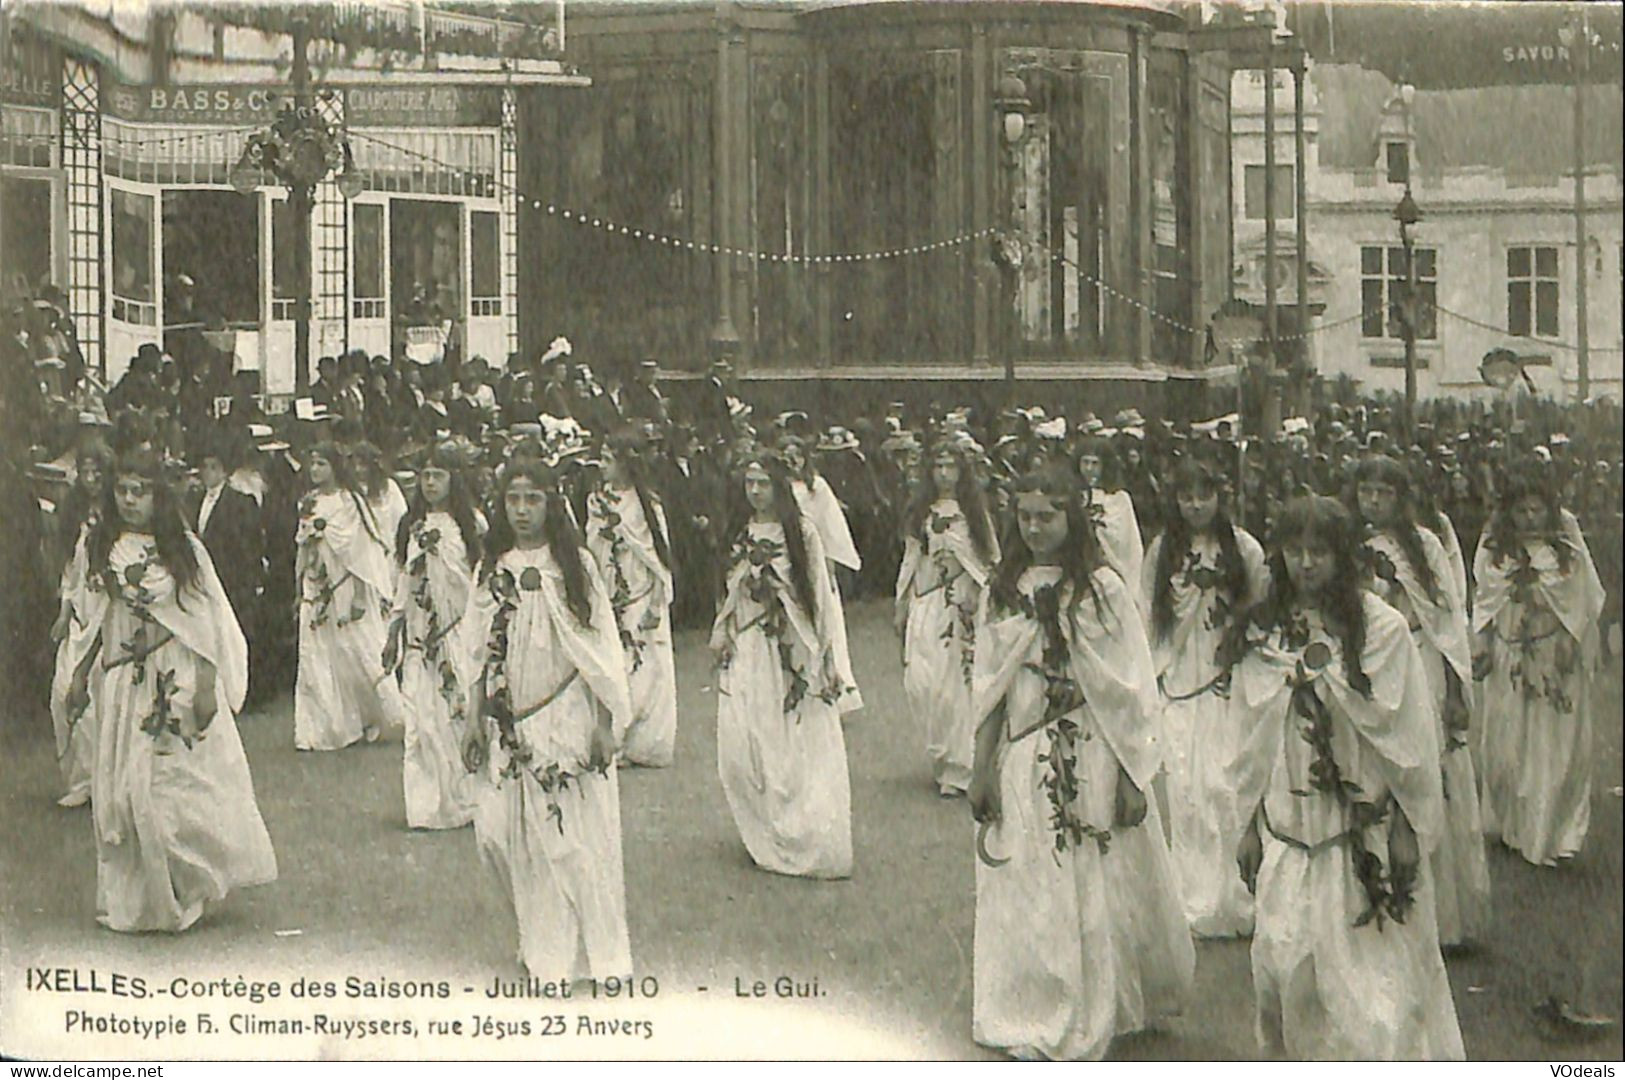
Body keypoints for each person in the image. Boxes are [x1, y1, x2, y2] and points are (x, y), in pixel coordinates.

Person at [968, 465, 1193, 1061]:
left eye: (1048, 516)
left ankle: (1100, 1000)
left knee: (1093, 870)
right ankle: (1036, 998)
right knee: (1031, 873)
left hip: (1092, 747)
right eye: (1025, 517)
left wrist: (1131, 773)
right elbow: (990, 684)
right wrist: (980, 765)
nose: (1036, 528)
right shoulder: (1003, 587)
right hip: (1023, 750)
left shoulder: (1102, 588)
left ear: (1073, 518)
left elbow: (1129, 685)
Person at [1230, 495, 1463, 1060]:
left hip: (1362, 835)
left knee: (1374, 999)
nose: (1306, 564)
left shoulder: (1381, 630)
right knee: (1287, 975)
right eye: (1294, 551)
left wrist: (1407, 828)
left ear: (1343, 555)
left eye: (1319, 552)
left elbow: (1407, 742)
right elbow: (1250, 739)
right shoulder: (1263, 630)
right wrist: (1246, 826)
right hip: (1290, 827)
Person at [61, 449, 276, 931]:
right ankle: (142, 900)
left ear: (159, 495)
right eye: (123, 490)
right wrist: (78, 676)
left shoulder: (183, 551)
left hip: (174, 674)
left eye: (141, 490)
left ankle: (185, 885)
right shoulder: (103, 546)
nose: (131, 499)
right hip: (125, 678)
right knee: (125, 791)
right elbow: (98, 617)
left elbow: (204, 621)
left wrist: (205, 686)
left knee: (168, 788)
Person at [458, 458, 633, 982]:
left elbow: (600, 649)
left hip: (568, 716)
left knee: (573, 840)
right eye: (513, 499)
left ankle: (579, 956)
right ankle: (541, 944)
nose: (522, 510)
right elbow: (475, 648)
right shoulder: (492, 565)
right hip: (512, 721)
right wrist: (473, 719)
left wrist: (604, 725)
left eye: (533, 499)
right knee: (507, 837)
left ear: (551, 503)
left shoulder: (573, 565)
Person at [1353, 455, 1489, 946]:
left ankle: (1444, 916)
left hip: (1422, 664)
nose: (1373, 501)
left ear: (1401, 497)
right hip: (1376, 667)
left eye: (1383, 493)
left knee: (1429, 770)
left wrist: (1455, 688)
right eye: (1366, 491)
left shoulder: (1425, 545)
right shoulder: (1351, 544)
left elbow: (1447, 621)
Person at [710, 452, 856, 879]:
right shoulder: (740, 533)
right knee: (743, 740)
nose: (755, 492)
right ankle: (764, 829)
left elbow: (819, 596)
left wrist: (824, 654)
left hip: (788, 646)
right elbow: (728, 588)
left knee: (786, 739)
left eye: (764, 484)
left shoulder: (803, 533)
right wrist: (725, 627)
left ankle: (798, 829)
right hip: (749, 644)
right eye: (749, 483)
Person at [1140, 456, 1268, 938]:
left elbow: (1261, 608)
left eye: (1204, 495)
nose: (1195, 504)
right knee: (1186, 792)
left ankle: (1232, 896)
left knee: (1224, 785)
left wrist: (1240, 636)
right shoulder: (1162, 552)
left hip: (1226, 679)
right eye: (1186, 496)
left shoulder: (1244, 549)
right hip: (1179, 679)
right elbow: (1147, 615)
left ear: (1219, 497)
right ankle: (1190, 898)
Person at [1472, 469, 1605, 867]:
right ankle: (1512, 824)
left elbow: (1582, 598)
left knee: (1552, 751)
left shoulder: (1566, 544)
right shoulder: (1495, 547)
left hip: (1553, 658)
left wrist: (1572, 641)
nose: (1530, 518)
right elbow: (1484, 598)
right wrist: (1483, 642)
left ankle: (1549, 835)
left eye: (1537, 510)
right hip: (1511, 657)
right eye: (1521, 510)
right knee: (1507, 750)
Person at [383, 441, 483, 830]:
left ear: (453, 479)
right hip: (419, 641)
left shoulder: (471, 524)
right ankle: (425, 806)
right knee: (421, 724)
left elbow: (478, 581)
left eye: (438, 476)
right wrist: (394, 631)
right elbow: (404, 583)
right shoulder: (412, 526)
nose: (429, 483)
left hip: (458, 634)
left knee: (455, 716)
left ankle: (463, 798)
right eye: (424, 476)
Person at [895, 432, 999, 797]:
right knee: (921, 683)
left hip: (958, 603)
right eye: (937, 466)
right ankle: (941, 753)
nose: (943, 473)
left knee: (951, 684)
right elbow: (912, 557)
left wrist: (966, 582)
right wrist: (903, 601)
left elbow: (987, 559)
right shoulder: (921, 511)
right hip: (926, 601)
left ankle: (958, 766)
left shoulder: (973, 512)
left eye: (950, 466)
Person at [293, 442, 407, 751]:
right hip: (316, 585)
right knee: (316, 652)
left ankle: (371, 713)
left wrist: (358, 596)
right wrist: (298, 586)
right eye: (312, 464)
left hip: (344, 584)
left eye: (321, 464)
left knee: (354, 651)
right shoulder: (309, 502)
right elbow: (303, 546)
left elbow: (360, 549)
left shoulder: (349, 502)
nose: (315, 470)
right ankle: (321, 727)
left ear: (334, 467)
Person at [586, 428, 677, 767]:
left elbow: (657, 555)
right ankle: (616, 738)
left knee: (644, 670)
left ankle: (643, 743)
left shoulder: (647, 505)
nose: (602, 466)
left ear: (626, 464)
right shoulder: (596, 501)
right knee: (615, 665)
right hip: (609, 593)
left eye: (609, 460)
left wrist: (656, 602)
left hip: (641, 595)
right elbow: (591, 544)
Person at [781, 434, 863, 714]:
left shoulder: (817, 487)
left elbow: (830, 526)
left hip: (814, 557)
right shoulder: (779, 489)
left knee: (825, 618)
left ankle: (835, 682)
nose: (792, 460)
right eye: (786, 454)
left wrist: (829, 562)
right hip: (787, 560)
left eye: (797, 454)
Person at [1075, 435, 1144, 587]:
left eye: (1095, 463)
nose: (1089, 469)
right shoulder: (1073, 496)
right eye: (1085, 462)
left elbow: (1131, 543)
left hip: (1114, 574)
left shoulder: (1119, 499)